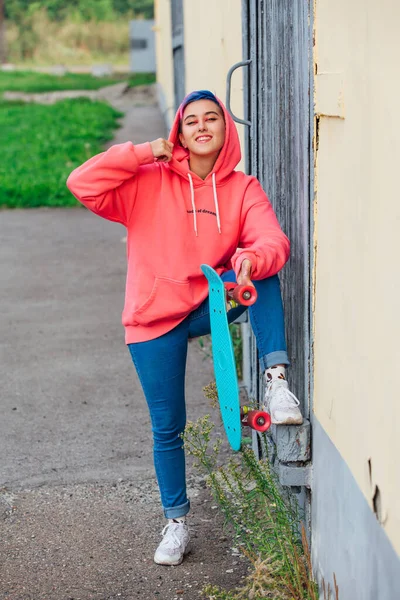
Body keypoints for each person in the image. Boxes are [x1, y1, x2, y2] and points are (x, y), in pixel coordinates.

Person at [66, 90, 303, 567]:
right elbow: (82, 182)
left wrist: (252, 257)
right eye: (190, 120)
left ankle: (277, 383)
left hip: (209, 303)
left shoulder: (242, 188)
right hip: (152, 317)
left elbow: (272, 238)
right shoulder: (146, 181)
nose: (201, 126)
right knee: (167, 425)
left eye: (211, 118)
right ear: (178, 132)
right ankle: (176, 523)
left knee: (265, 272)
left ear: (224, 129)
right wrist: (143, 151)